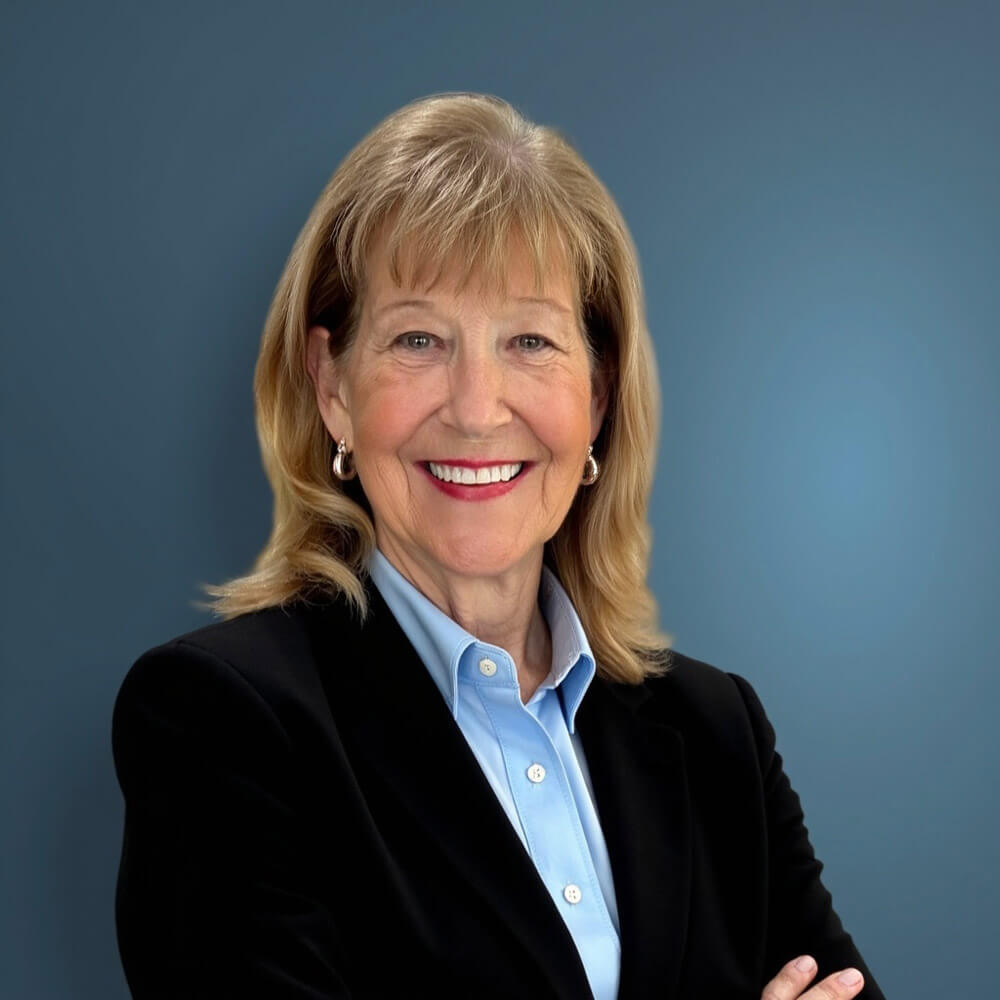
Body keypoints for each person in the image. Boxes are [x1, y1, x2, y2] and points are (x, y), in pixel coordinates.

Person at [111, 92, 885, 1000]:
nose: (478, 409)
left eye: (529, 340)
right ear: (331, 389)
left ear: (597, 396)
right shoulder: (223, 722)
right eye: (417, 339)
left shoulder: (713, 734)